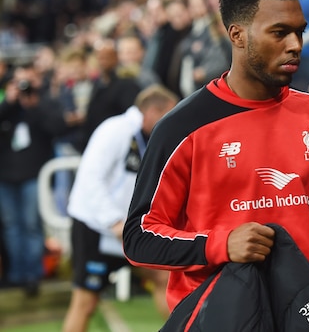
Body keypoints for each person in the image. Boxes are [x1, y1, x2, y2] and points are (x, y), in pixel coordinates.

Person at [123, 0, 309, 331]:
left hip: (308, 317)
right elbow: (140, 237)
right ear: (238, 35)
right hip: (223, 318)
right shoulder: (182, 128)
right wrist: (220, 244)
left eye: (299, 32)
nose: (295, 45)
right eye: (279, 33)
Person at [62, 84, 178, 332]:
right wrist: (113, 220)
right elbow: (91, 178)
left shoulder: (154, 138)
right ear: (152, 111)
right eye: (169, 114)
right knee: (86, 301)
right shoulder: (114, 130)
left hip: (131, 229)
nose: (173, 122)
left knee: (165, 280)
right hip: (96, 227)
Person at [0, 63, 68, 296]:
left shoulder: (45, 103)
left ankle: (33, 275)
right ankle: (16, 275)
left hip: (34, 175)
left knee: (31, 225)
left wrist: (34, 106)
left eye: (27, 81)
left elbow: (58, 128)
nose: (23, 87)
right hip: (5, 175)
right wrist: (9, 103)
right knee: (11, 226)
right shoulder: (5, 106)